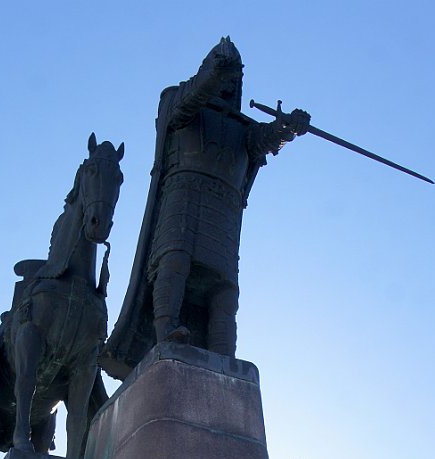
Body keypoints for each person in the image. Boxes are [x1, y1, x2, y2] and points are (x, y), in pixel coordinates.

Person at [100, 37, 309, 379]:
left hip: (222, 209)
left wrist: (287, 128)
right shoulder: (178, 101)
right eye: (225, 74)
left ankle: (223, 357)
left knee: (224, 290)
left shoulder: (243, 129)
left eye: (234, 77)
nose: (230, 83)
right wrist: (214, 73)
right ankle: (166, 333)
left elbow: (265, 141)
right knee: (175, 261)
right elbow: (186, 104)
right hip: (184, 196)